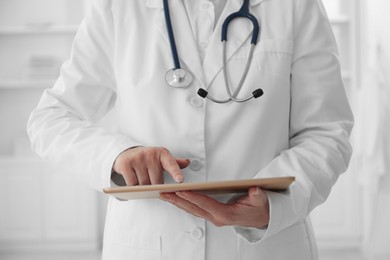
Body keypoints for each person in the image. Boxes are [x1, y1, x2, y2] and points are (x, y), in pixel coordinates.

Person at [27, 0, 354, 259]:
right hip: (150, 243)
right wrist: (116, 156)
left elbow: (326, 130)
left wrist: (278, 204)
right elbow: (51, 117)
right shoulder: (117, 6)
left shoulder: (296, 5)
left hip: (266, 246)